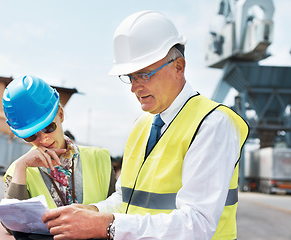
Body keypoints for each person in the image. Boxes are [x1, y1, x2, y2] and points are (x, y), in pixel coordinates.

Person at [41, 10, 249, 240]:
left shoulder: (212, 124)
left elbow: (197, 225)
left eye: (144, 75)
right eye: (130, 76)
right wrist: (91, 212)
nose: (134, 87)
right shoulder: (143, 124)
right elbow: (126, 199)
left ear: (178, 67)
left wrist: (107, 226)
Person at [2, 75, 116, 212]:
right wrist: (21, 167)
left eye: (48, 128)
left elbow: (120, 211)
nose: (44, 139)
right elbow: (12, 223)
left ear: (61, 115)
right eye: (31, 136)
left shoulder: (100, 160)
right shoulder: (16, 171)